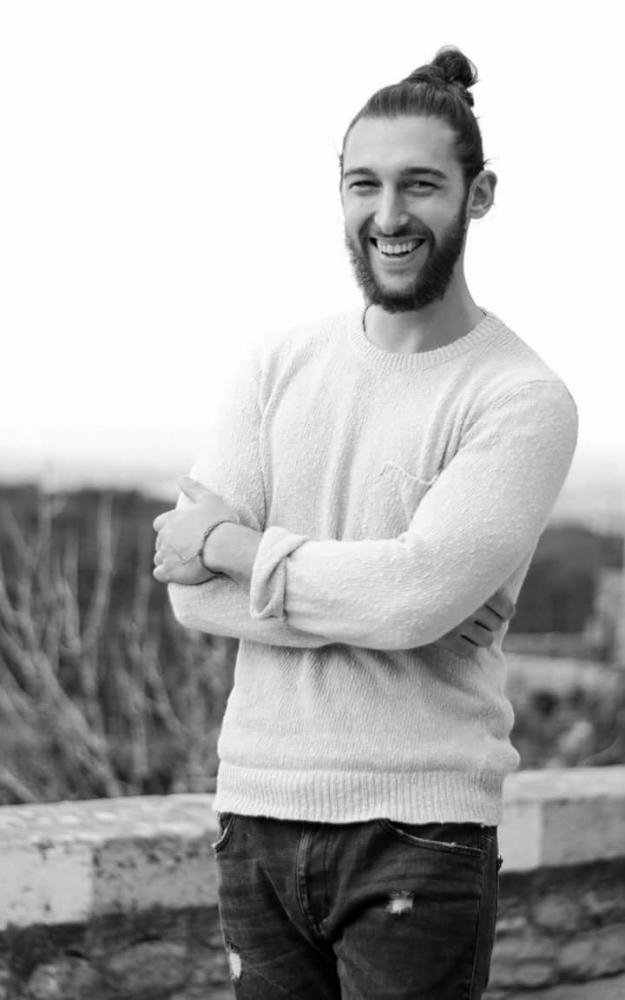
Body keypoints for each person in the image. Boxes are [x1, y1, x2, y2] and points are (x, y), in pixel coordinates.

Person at [152, 46, 577, 1000]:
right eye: (364, 185)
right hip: (254, 810)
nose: (387, 215)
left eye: (420, 184)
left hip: (419, 830)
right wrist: (384, 598)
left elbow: (406, 602)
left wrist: (226, 545)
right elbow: (193, 603)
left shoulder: (519, 398)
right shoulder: (275, 366)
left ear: (478, 195)